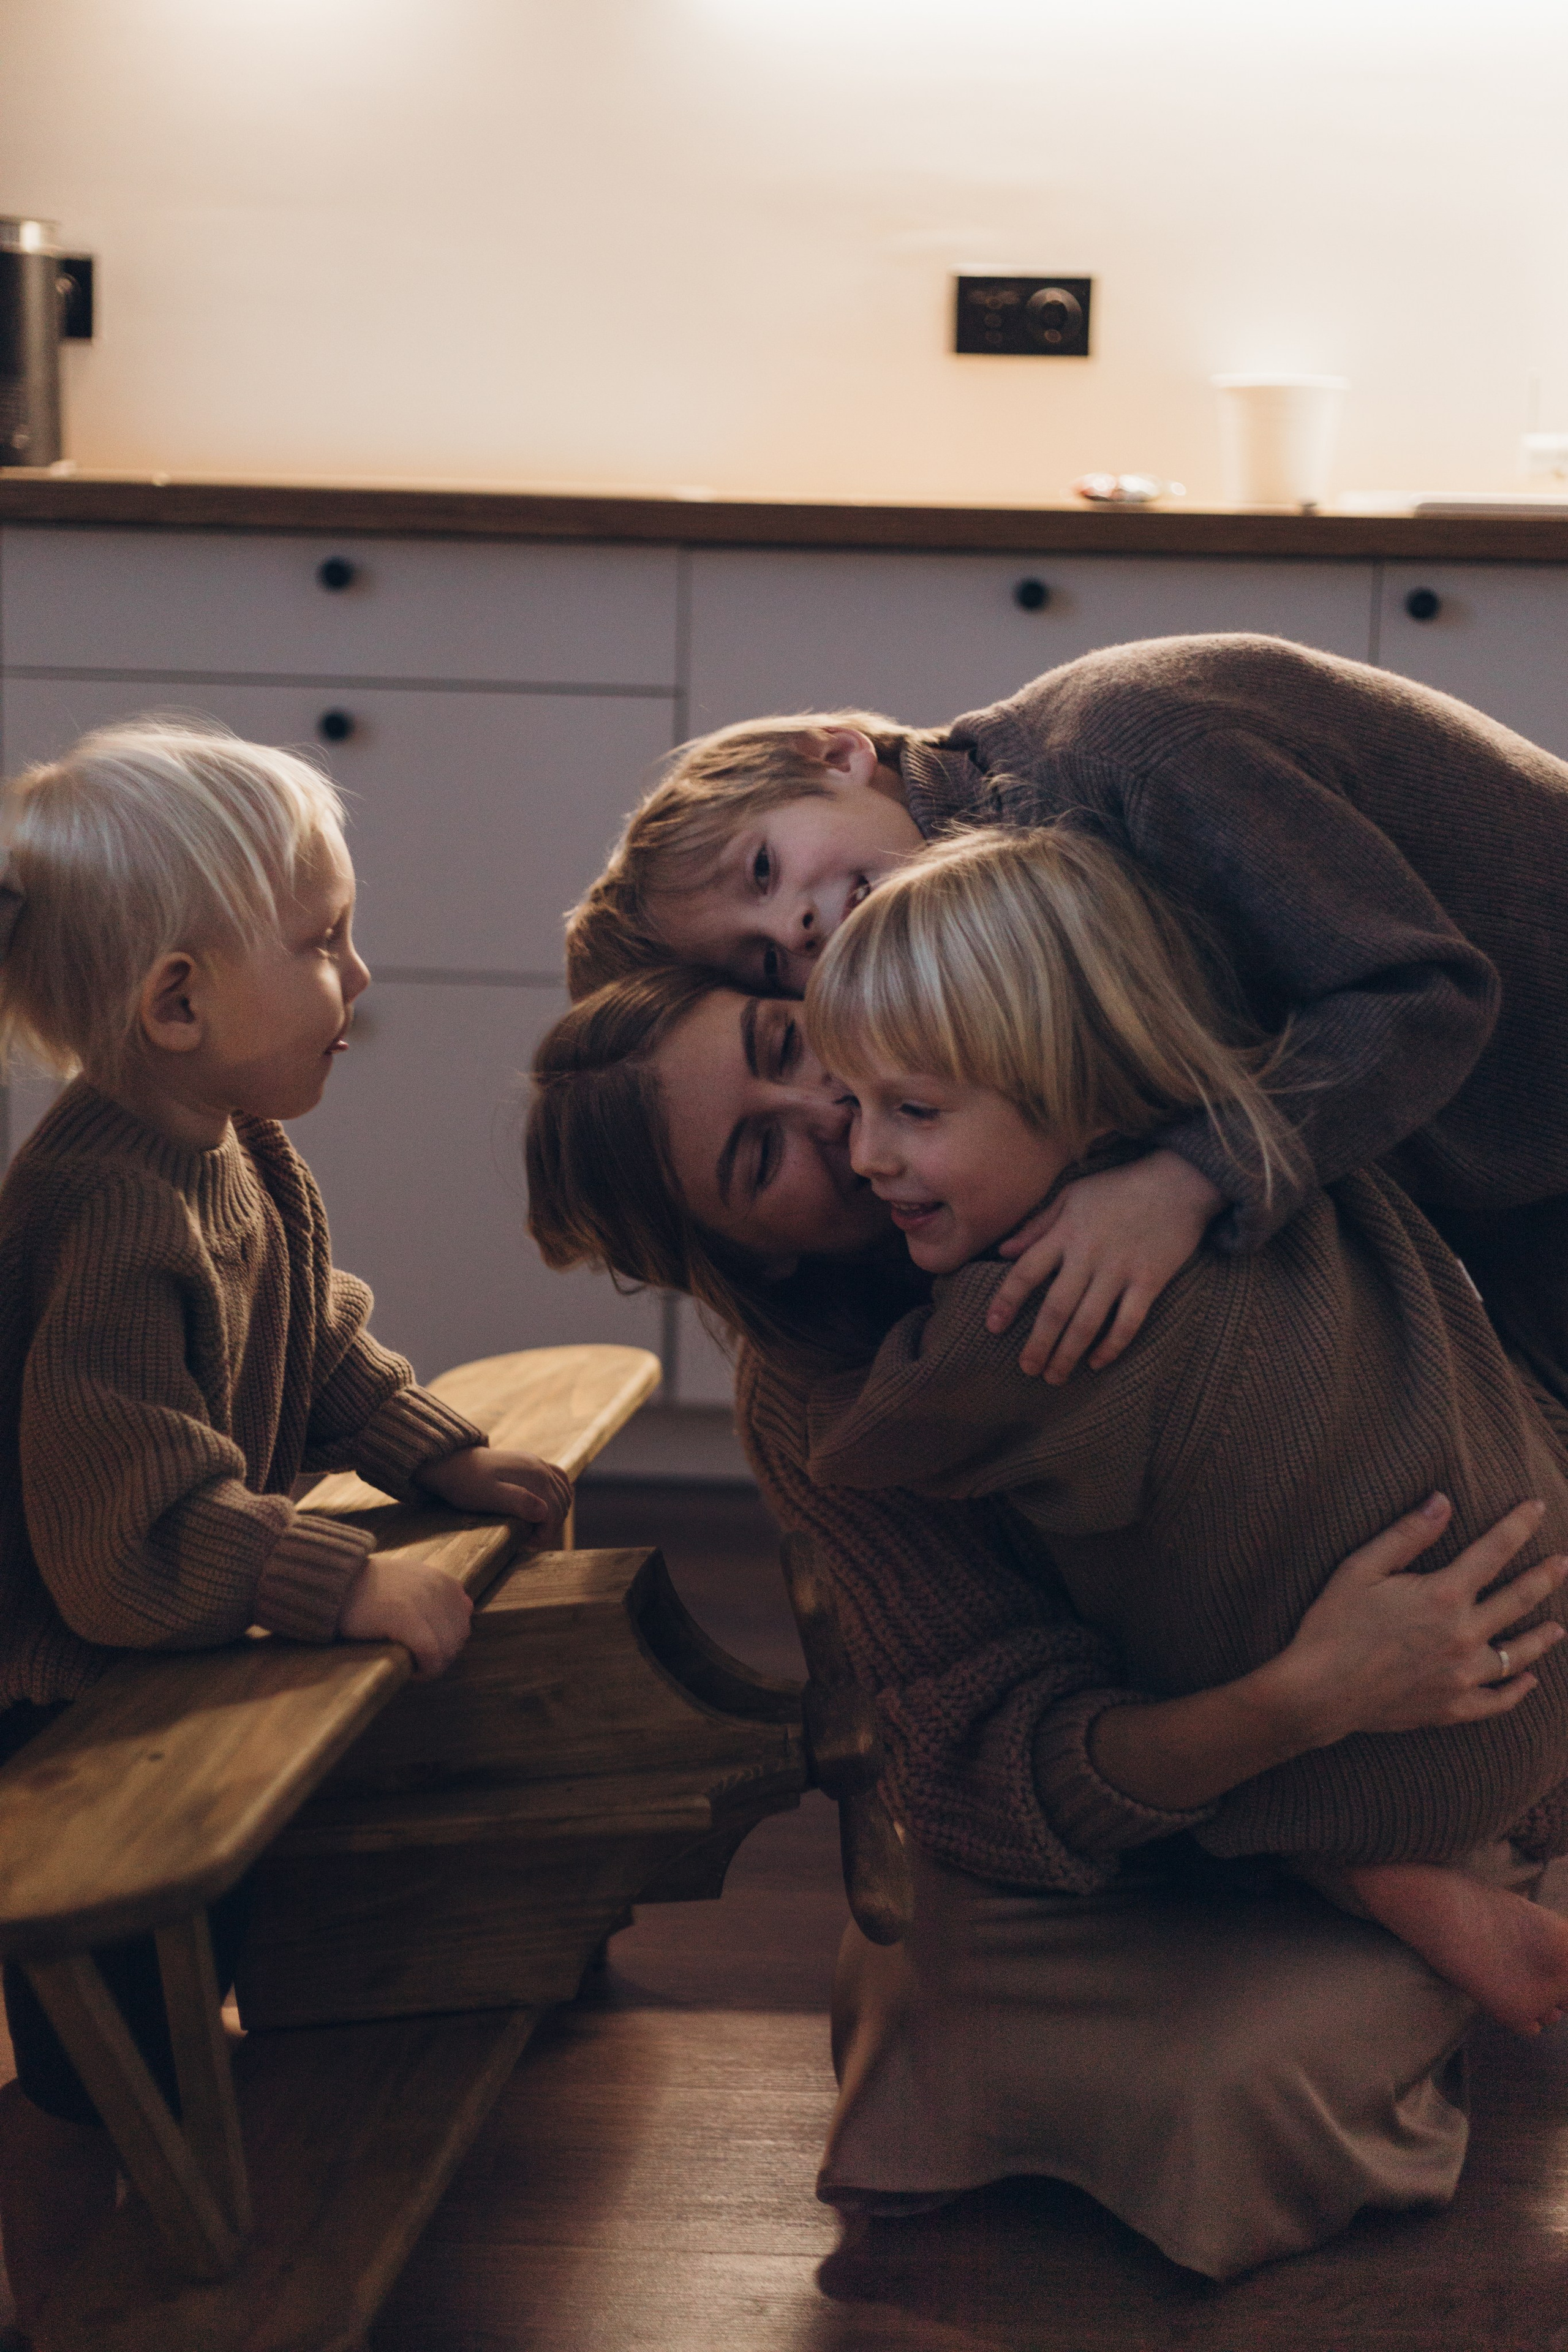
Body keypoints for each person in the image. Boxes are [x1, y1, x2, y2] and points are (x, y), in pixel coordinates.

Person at [524, 961, 1562, 2279]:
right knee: (967, 1994)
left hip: (1429, 1675)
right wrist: (1305, 1698)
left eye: (787, 1044)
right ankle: (1374, 1882)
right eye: (758, 1155)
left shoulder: (1066, 1076)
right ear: (749, 1251)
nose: (830, 1114)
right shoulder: (826, 1413)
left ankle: (1422, 1871)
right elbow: (986, 1750)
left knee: (1229, 2077)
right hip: (1193, 1753)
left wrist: (1180, 1181)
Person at [799, 819, 1568, 2034]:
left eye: (914, 1111)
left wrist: (805, 1348)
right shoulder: (1267, 1155)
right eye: (852, 1105)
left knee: (1197, 1772)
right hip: (1536, 1619)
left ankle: (1380, 1874)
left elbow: (856, 1444)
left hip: (1423, 1743)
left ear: (1077, 1099)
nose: (863, 1155)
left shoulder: (1028, 1320)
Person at [0, 722, 572, 2337]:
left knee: (217, 1956)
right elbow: (126, 1534)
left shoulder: (236, 1149)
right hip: (61, 1695)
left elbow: (305, 1338)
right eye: (322, 943)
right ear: (176, 1004)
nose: (359, 976)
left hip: (150, 1643)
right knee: (101, 2048)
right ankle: (64, 2261)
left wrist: (433, 1451)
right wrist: (332, 1579)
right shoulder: (106, 1213)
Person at [562, 634, 1568, 1403]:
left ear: (834, 754)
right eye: (765, 960)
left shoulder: (1129, 753)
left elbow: (1426, 997)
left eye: (763, 867)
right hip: (1496, 1161)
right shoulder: (985, 922)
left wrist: (1184, 1179)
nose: (797, 925)